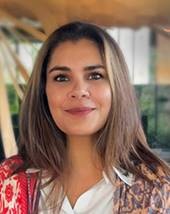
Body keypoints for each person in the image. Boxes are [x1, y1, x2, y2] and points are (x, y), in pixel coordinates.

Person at [0, 21, 170, 214]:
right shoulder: (9, 181)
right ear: (43, 91)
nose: (79, 91)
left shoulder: (157, 191)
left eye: (95, 76)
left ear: (117, 88)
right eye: (62, 78)